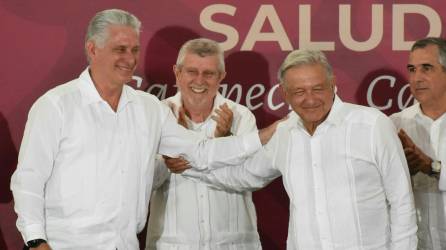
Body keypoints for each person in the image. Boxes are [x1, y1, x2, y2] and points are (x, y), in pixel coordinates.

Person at [10, 9, 266, 250]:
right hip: (64, 244)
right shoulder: (56, 105)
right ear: (92, 49)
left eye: (134, 50)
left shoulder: (149, 108)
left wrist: (266, 136)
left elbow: (199, 150)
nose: (130, 59)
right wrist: (36, 242)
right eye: (120, 49)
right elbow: (29, 179)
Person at [177, 49, 418, 249]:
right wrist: (187, 167)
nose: (310, 99)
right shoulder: (286, 133)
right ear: (285, 94)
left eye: (318, 88)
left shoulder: (372, 125)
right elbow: (243, 176)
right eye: (299, 92)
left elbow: (402, 200)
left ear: (333, 84)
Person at [146, 38, 262, 250]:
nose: (199, 81)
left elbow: (248, 179)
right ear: (177, 72)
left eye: (209, 73)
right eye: (191, 71)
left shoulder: (241, 116)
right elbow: (142, 182)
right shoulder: (155, 115)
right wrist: (167, 159)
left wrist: (222, 141)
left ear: (221, 76)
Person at [390, 37, 446, 250]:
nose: (417, 78)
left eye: (427, 68)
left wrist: (432, 167)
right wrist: (403, 172)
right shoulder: (394, 124)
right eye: (412, 70)